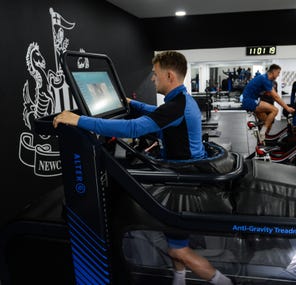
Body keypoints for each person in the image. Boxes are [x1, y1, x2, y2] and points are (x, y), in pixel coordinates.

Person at [53, 51, 233, 285]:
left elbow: (132, 129)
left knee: (178, 250)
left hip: (184, 184)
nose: (152, 79)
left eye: (155, 74)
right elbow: (158, 115)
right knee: (176, 242)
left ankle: (224, 282)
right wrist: (131, 104)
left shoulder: (176, 106)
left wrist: (78, 121)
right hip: (186, 176)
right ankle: (178, 281)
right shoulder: (181, 102)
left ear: (169, 75)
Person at [241, 64, 295, 143]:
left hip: (251, 100)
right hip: (250, 101)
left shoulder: (265, 79)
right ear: (273, 72)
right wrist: (287, 108)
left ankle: (261, 142)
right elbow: (276, 97)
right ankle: (262, 133)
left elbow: (270, 93)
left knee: (267, 122)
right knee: (275, 110)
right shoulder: (265, 79)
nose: (278, 75)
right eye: (278, 72)